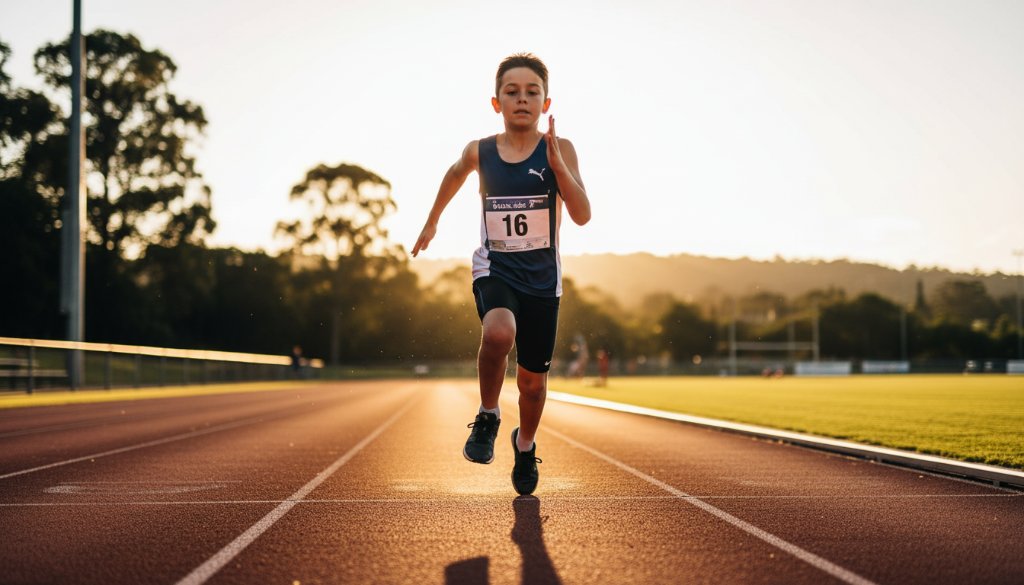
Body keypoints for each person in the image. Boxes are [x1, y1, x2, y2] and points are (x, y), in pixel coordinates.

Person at [412, 53, 591, 495]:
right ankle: (489, 414)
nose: (522, 100)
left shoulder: (561, 148)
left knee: (532, 383)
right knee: (497, 333)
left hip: (543, 282)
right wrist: (433, 219)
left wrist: (558, 166)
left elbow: (583, 215)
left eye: (532, 92)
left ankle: (525, 444)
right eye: (512, 92)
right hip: (495, 268)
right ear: (496, 102)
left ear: (547, 102)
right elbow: (455, 174)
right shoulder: (482, 150)